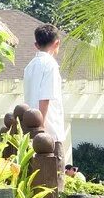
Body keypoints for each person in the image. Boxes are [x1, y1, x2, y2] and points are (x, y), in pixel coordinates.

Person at [22, 23, 69, 163]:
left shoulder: (29, 66)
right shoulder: (51, 65)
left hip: (30, 131)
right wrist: (41, 129)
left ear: (36, 45)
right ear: (57, 43)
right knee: (56, 178)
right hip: (49, 135)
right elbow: (45, 98)